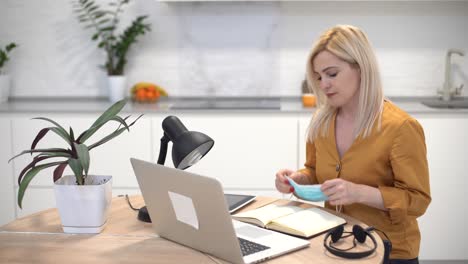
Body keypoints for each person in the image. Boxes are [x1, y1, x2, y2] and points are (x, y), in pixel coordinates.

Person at [275, 25, 431, 264]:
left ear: (361, 68)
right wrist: (298, 179)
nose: (323, 84)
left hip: (391, 251)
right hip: (335, 243)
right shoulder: (321, 121)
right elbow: (315, 171)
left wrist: (358, 192)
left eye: (332, 74)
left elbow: (418, 201)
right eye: (318, 77)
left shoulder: (401, 127)